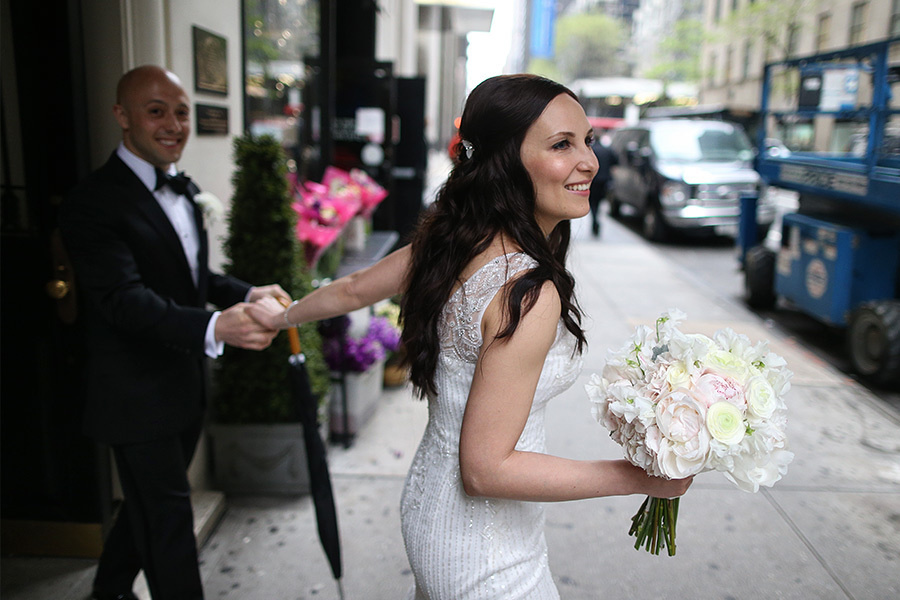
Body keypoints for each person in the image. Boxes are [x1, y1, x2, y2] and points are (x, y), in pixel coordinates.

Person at [250, 74, 692, 599]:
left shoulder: (451, 238)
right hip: (484, 551)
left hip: (435, 511)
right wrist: (640, 477)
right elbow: (485, 471)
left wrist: (280, 317)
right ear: (505, 161)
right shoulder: (527, 293)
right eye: (561, 145)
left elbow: (352, 289)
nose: (590, 161)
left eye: (588, 141)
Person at [59, 65, 288, 600]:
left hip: (183, 383)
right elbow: (123, 300)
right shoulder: (92, 202)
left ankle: (108, 590)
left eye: (181, 112)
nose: (174, 125)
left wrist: (245, 292)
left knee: (147, 506)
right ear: (122, 116)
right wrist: (215, 325)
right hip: (133, 394)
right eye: (156, 111)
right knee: (168, 522)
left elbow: (192, 276)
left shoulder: (183, 188)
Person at [588, 132, 618, 237]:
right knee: (598, 202)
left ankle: (595, 219)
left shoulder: (592, 150)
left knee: (593, 202)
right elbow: (616, 162)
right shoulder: (607, 150)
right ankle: (596, 219)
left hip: (594, 180)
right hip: (604, 180)